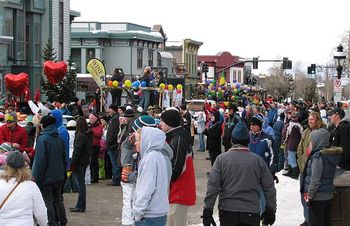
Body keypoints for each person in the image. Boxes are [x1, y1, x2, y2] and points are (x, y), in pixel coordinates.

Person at [202, 122, 277, 226]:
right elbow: (269, 187)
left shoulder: (221, 160)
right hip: (251, 211)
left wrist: (208, 210)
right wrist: (270, 210)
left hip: (228, 211)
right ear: (248, 141)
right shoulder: (257, 161)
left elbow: (213, 187)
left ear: (232, 140)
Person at [159, 109, 196, 226]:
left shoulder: (178, 139)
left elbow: (176, 168)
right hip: (177, 190)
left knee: (174, 221)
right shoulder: (176, 136)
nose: (160, 124)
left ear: (169, 122)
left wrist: (164, 181)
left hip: (178, 190)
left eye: (162, 121)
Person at [300, 128, 342, 226]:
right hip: (328, 195)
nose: (310, 143)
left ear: (317, 141)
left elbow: (315, 180)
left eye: (312, 141)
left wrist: (309, 195)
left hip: (318, 197)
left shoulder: (318, 157)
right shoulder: (330, 156)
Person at [132, 127, 173, 226]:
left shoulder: (150, 159)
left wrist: (137, 212)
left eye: (137, 140)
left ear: (147, 141)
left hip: (149, 216)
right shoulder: (159, 156)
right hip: (159, 213)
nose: (135, 143)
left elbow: (146, 188)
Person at [32, 115, 67, 226]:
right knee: (58, 200)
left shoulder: (43, 139)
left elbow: (39, 162)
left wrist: (36, 178)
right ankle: (63, 221)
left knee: (48, 201)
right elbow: (64, 158)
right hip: (59, 175)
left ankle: (50, 222)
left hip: (46, 177)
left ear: (43, 125)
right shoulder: (59, 138)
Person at [0, 151, 48, 225]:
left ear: (6, 165)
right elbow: (41, 213)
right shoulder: (31, 186)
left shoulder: (1, 184)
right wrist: (43, 224)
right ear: (24, 166)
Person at [70, 116, 93, 213]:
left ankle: (80, 205)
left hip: (79, 162)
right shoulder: (88, 135)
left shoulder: (80, 135)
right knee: (81, 184)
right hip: (84, 161)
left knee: (80, 185)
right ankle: (81, 205)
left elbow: (77, 151)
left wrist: (72, 163)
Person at [282, 111, 303, 179]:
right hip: (297, 144)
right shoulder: (300, 125)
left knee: (291, 158)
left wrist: (283, 141)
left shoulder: (289, 125)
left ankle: (294, 173)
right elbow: (302, 134)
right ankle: (291, 171)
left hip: (290, 144)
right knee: (291, 158)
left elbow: (285, 134)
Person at [329, 108, 350, 173]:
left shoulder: (344, 127)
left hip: (344, 167)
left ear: (337, 115)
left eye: (332, 115)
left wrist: (339, 163)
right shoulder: (337, 128)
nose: (330, 117)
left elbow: (346, 148)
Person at [106, 104, 121, 186]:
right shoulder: (114, 118)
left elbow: (114, 132)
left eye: (110, 109)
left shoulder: (115, 119)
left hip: (113, 145)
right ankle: (115, 178)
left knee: (115, 163)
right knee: (114, 163)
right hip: (112, 144)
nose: (108, 110)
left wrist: (111, 141)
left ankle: (116, 179)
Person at [89, 113, 103, 183]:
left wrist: (91, 131)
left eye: (91, 118)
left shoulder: (98, 126)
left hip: (95, 146)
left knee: (94, 162)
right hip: (91, 145)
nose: (90, 120)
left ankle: (95, 177)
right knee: (91, 162)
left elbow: (98, 134)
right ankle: (92, 176)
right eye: (89, 118)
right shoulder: (91, 126)